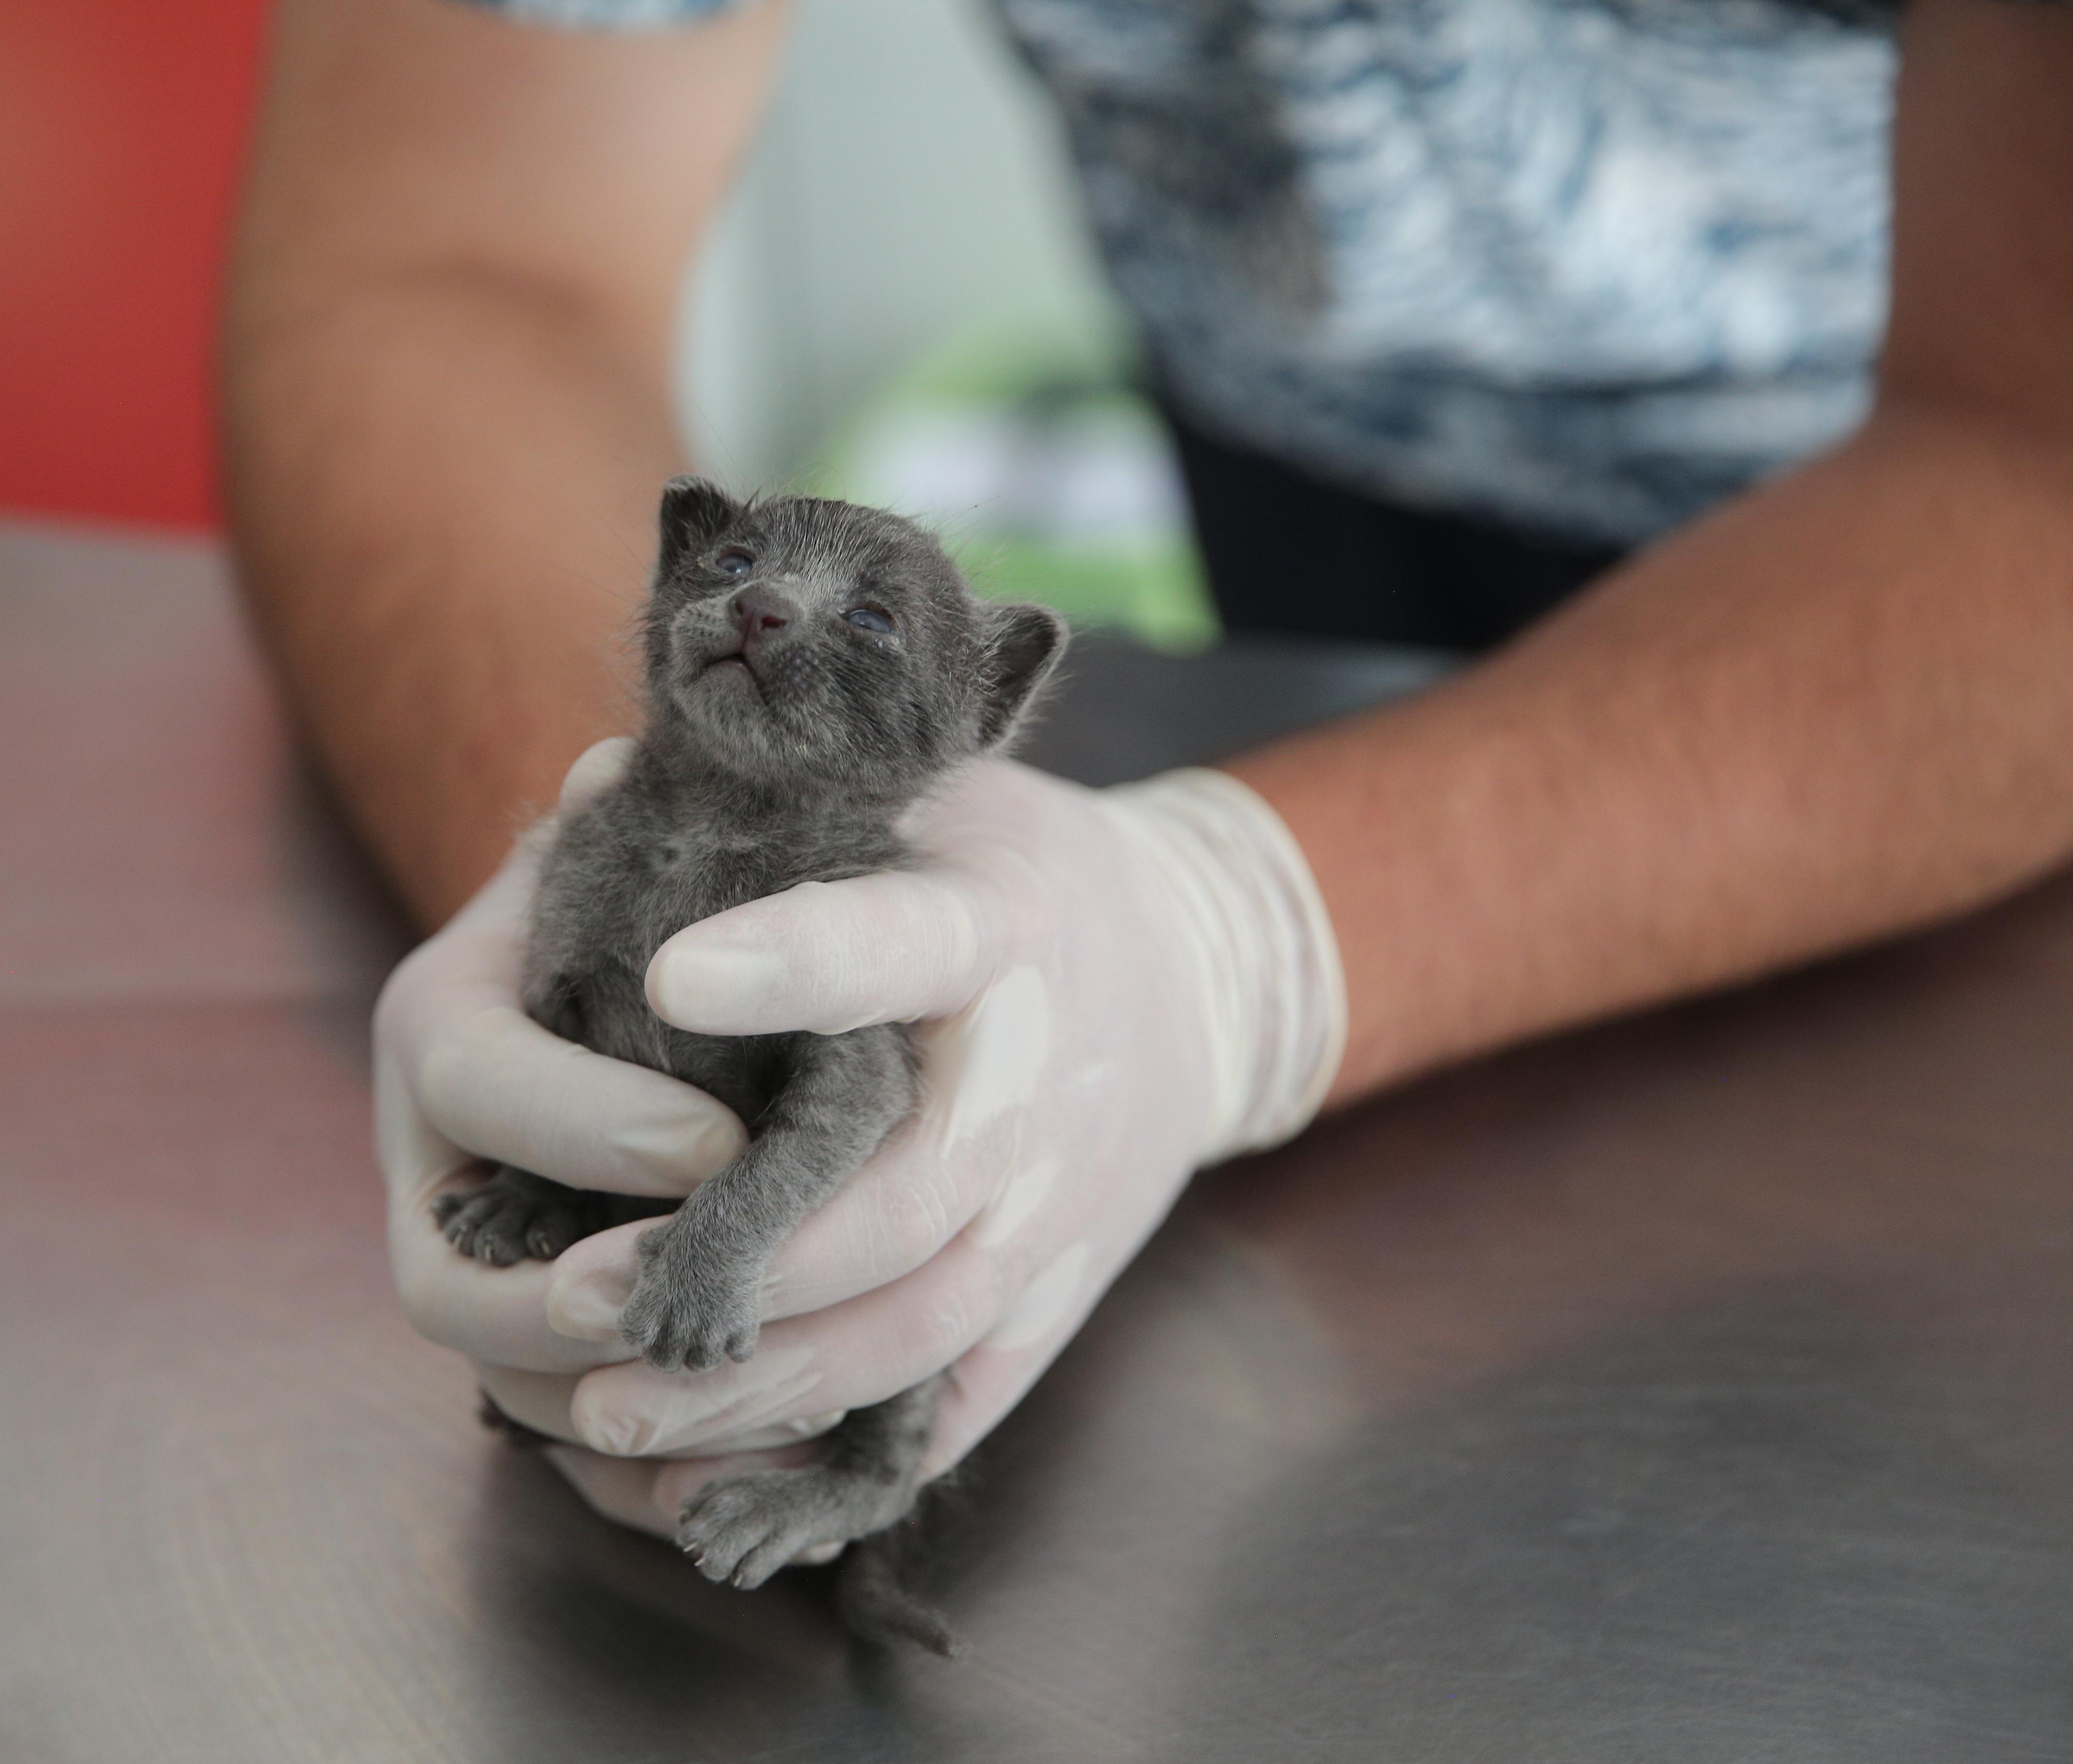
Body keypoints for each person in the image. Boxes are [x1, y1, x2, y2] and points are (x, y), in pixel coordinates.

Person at [222, 0, 2073, 1544]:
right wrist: (563, 948)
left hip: (1939, 545)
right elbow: (451, 255)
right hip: (1280, 444)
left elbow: (2041, 470)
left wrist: (1239, 939)